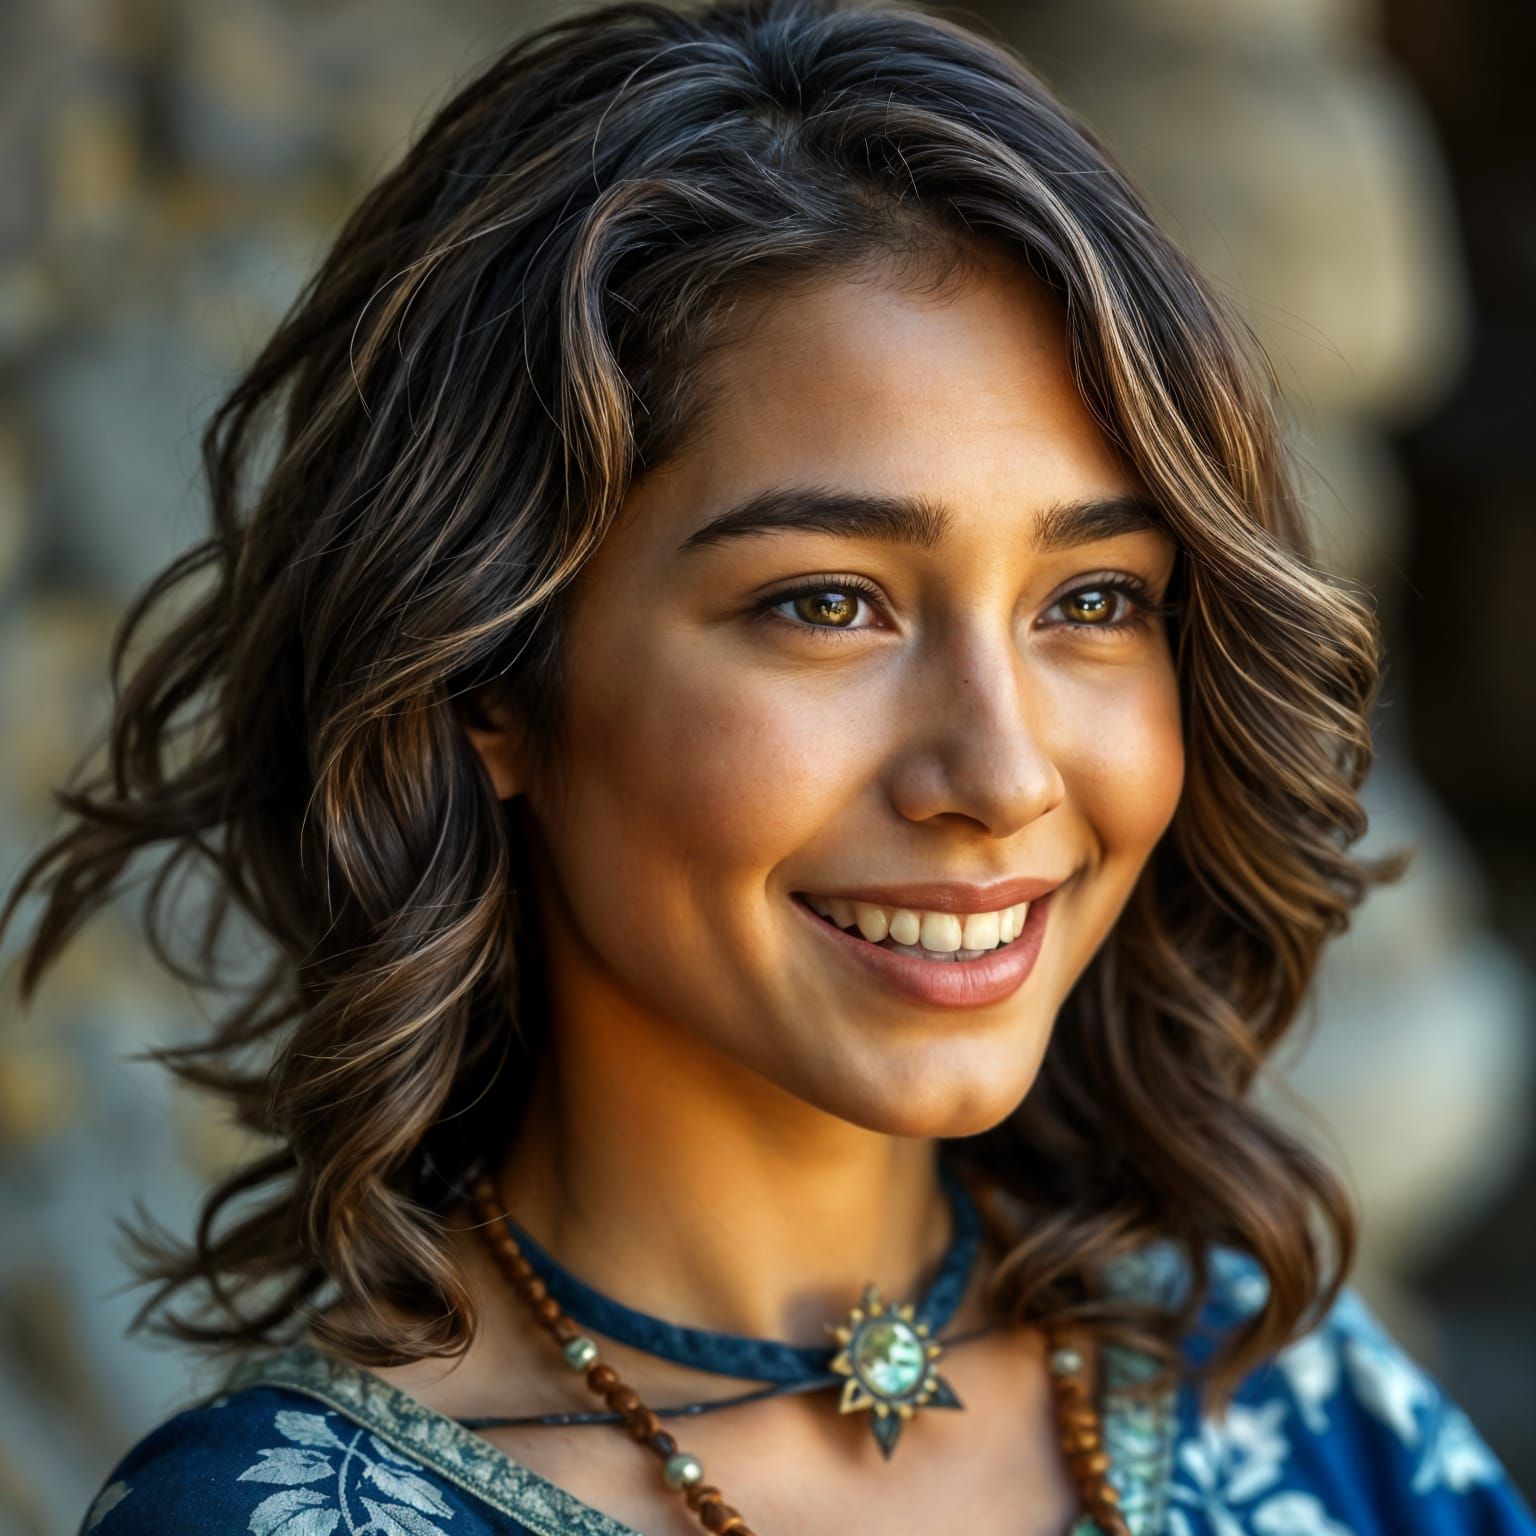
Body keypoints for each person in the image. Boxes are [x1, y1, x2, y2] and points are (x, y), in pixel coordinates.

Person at [5, 0, 1530, 1531]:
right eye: (826, 605)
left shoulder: (1288, 1392)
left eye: (1093, 601)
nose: (1000, 775)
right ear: (490, 678)